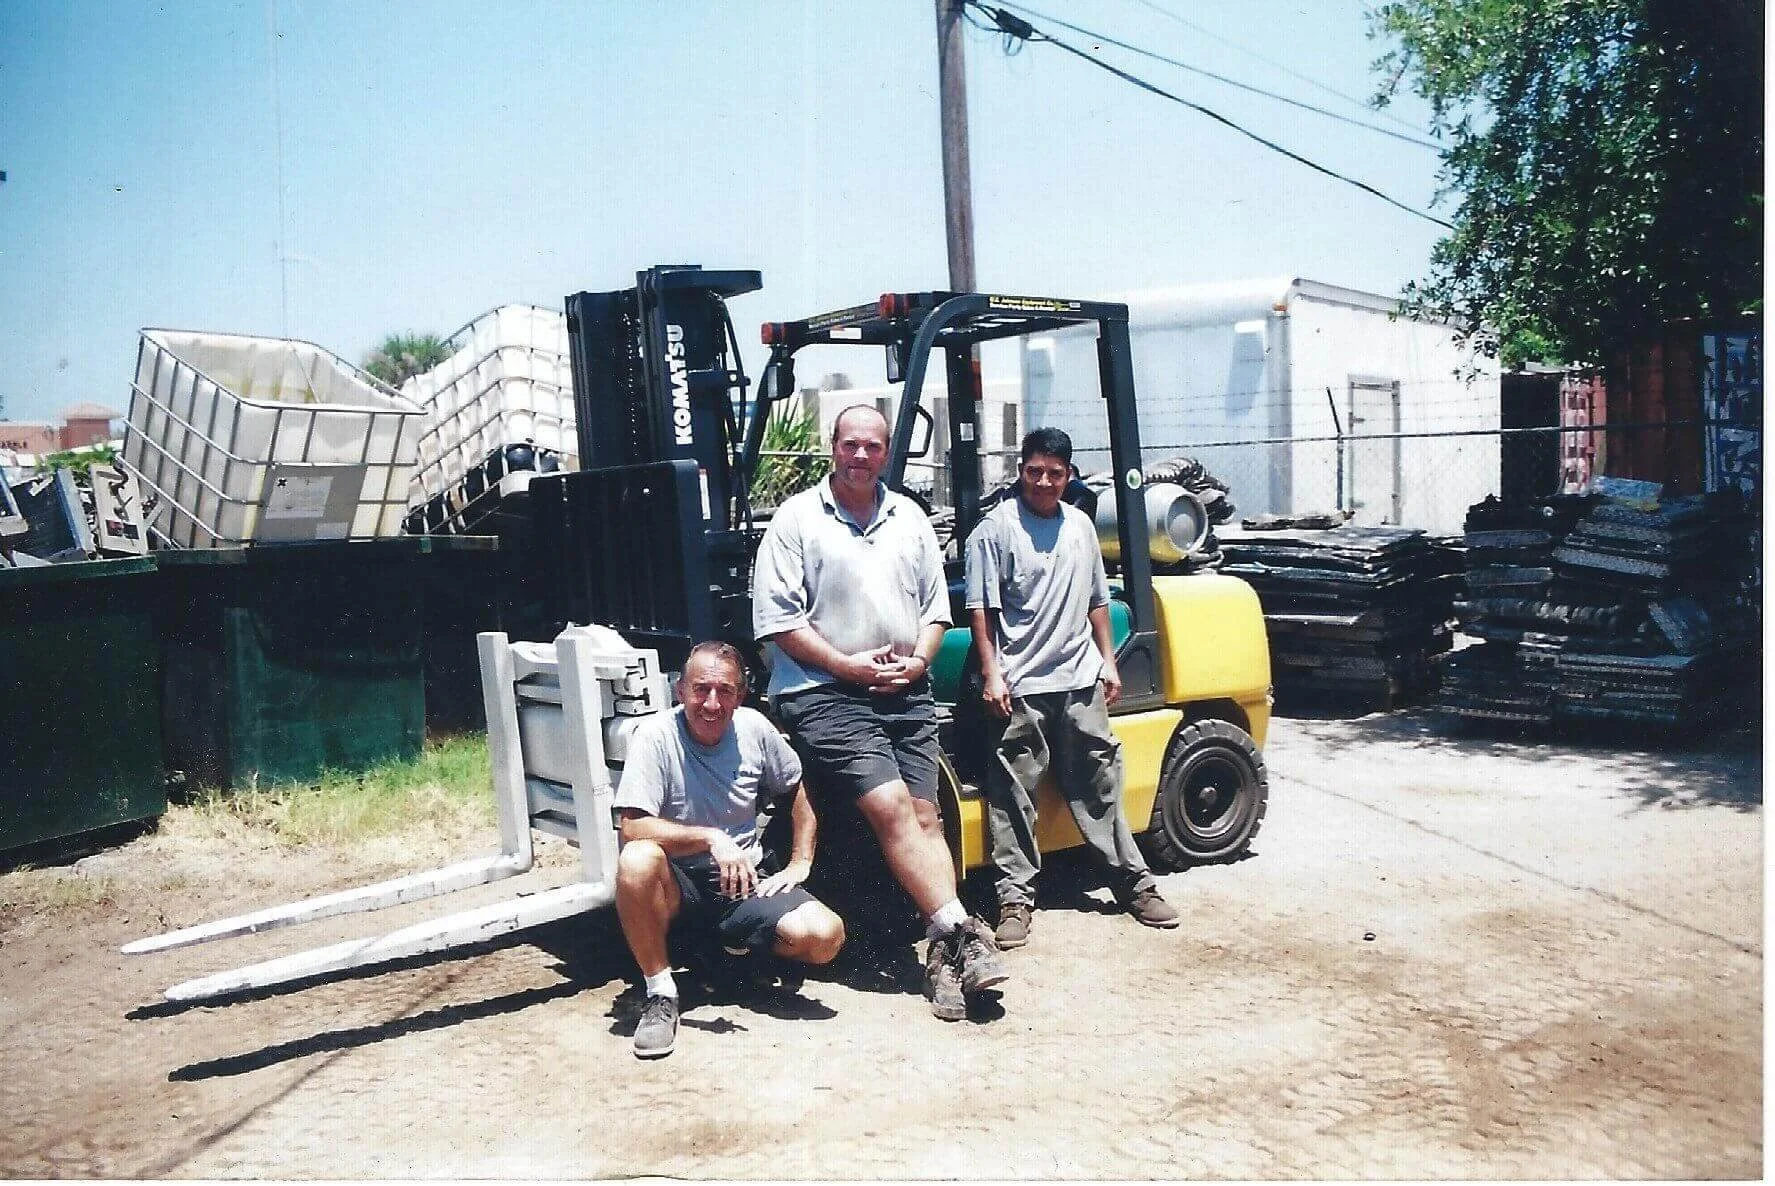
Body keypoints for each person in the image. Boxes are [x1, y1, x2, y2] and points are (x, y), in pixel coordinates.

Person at [753, 403, 1008, 1021]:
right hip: (822, 691)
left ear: (887, 451)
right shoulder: (796, 521)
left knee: (926, 814)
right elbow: (780, 622)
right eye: (850, 445)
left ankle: (945, 957)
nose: (861, 455)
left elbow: (934, 612)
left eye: (872, 446)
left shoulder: (910, 520)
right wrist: (849, 667)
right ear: (832, 448)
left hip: (903, 689)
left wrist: (920, 661)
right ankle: (960, 928)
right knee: (892, 805)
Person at [964, 427, 1180, 948]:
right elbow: (981, 611)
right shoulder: (993, 532)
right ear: (1020, 470)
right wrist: (993, 675)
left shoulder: (1081, 526)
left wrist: (1108, 662)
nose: (1043, 482)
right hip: (1021, 686)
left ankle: (1133, 883)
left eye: (1054, 474)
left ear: (1069, 476)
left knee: (1100, 784)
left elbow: (1097, 602)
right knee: (1013, 794)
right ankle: (1015, 900)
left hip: (1079, 680)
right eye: (1034, 471)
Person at [613, 640, 846, 1059]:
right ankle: (661, 992)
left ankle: (735, 958)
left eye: (725, 691)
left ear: (741, 694)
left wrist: (801, 860)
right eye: (701, 689)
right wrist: (710, 837)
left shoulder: (755, 729)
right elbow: (631, 826)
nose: (712, 702)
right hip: (678, 884)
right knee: (636, 859)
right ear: (680, 690)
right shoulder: (655, 735)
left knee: (825, 936)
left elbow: (798, 787)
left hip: (743, 882)